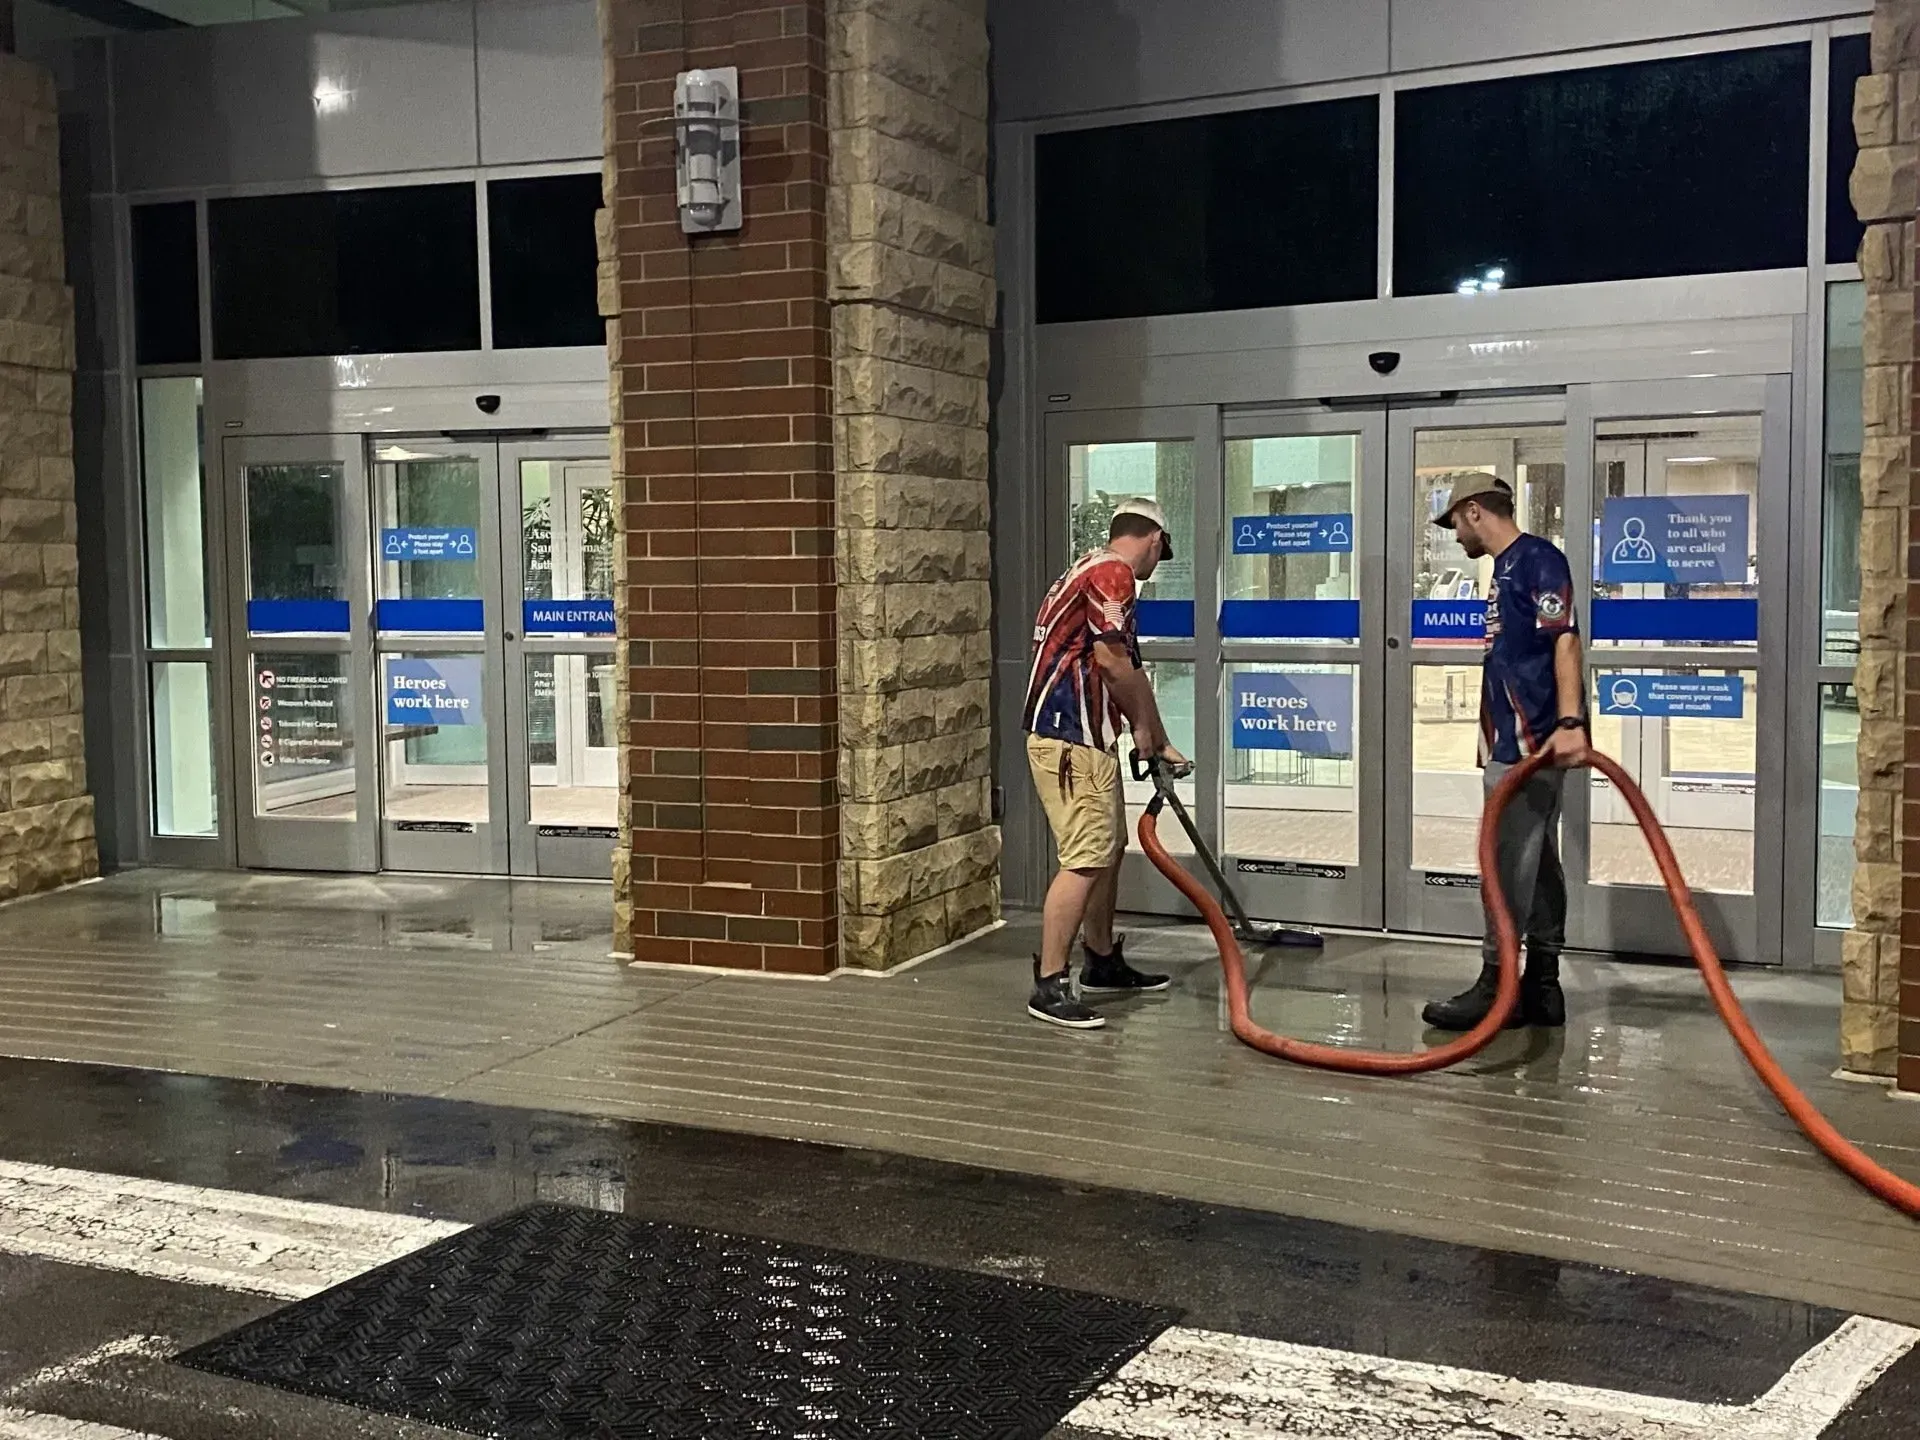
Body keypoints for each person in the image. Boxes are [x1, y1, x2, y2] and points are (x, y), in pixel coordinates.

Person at [1422, 475, 1588, 1032]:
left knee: (1503, 863)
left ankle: (1499, 984)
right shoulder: (1508, 569)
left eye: (1454, 525)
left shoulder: (1537, 559)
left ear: (1473, 512)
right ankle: (1542, 984)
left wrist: (1569, 722)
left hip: (1530, 744)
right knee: (1535, 862)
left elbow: (1564, 637)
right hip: (1511, 740)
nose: (1454, 538)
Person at [1022, 498, 1191, 1030]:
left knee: (1107, 849)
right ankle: (1049, 985)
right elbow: (1114, 663)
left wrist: (1154, 736)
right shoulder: (1114, 573)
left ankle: (1100, 961)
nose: (1153, 568)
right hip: (1070, 737)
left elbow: (1122, 665)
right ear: (1156, 540)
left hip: (1083, 736)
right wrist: (1147, 732)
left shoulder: (1086, 570)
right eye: (1159, 556)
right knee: (1086, 857)